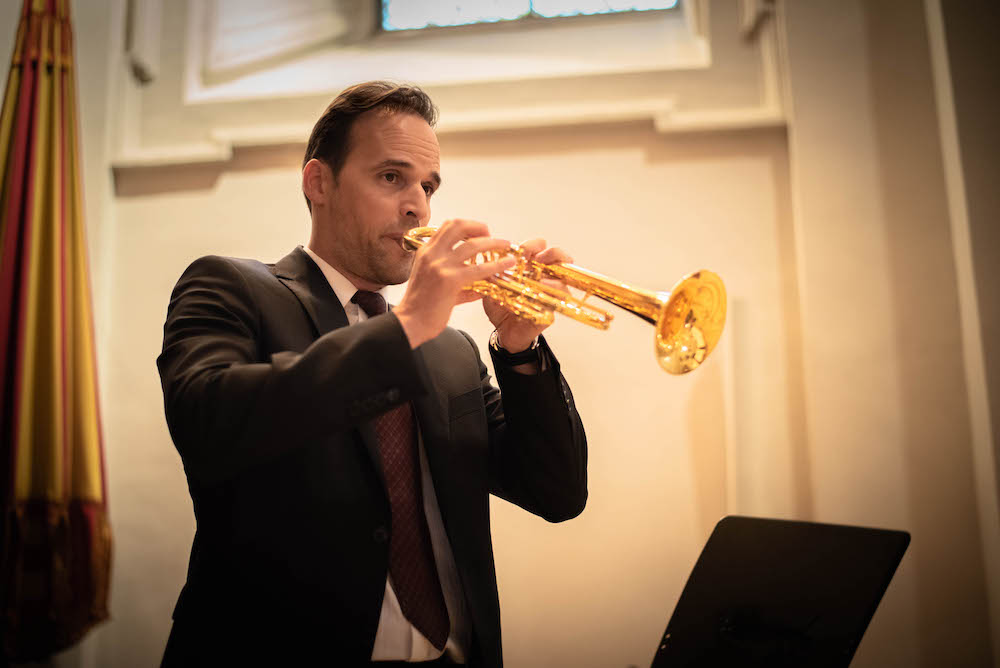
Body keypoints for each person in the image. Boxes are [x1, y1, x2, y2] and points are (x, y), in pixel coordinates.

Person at [156, 81, 588, 667]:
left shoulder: (452, 351)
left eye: (428, 186)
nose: (418, 206)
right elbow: (209, 424)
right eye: (392, 178)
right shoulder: (231, 288)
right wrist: (407, 324)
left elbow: (556, 493)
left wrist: (518, 348)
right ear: (319, 183)